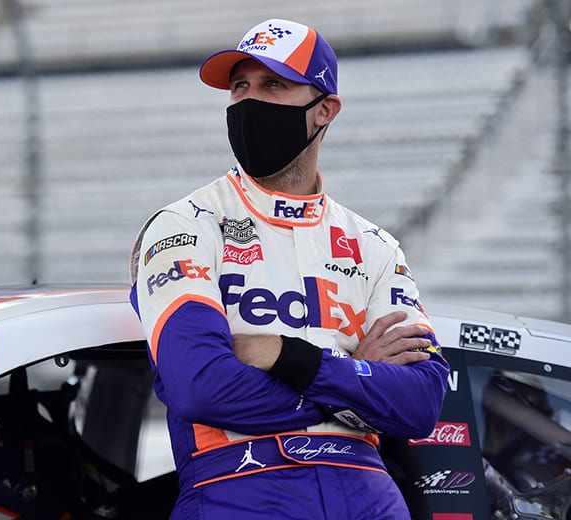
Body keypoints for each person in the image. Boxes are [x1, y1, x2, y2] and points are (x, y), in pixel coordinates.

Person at [128, 18, 450, 520]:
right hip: (238, 489)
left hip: (369, 497)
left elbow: (421, 403)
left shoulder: (375, 246)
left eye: (273, 85)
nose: (250, 100)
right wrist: (351, 384)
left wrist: (289, 357)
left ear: (325, 110)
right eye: (240, 86)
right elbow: (199, 384)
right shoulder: (185, 227)